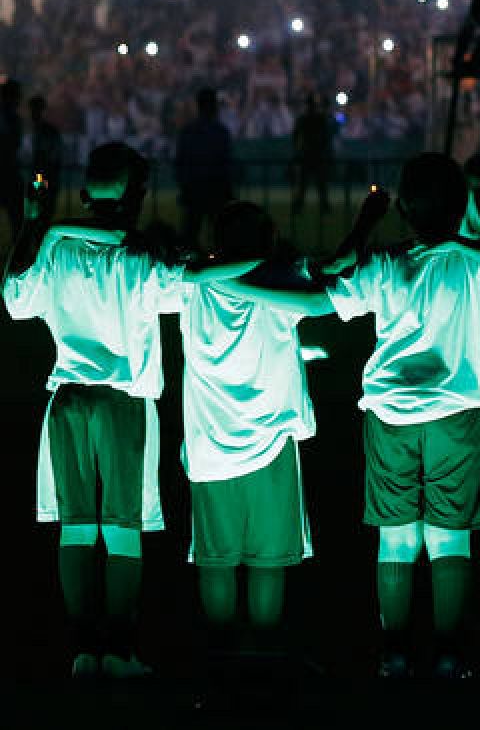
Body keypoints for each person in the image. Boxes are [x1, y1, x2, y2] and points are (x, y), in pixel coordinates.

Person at [2, 144, 251, 679]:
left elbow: (15, 299)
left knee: (75, 528)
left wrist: (33, 225)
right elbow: (188, 287)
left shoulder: (57, 247)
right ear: (134, 192)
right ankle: (117, 649)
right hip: (122, 402)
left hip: (67, 398)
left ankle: (82, 651)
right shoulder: (137, 255)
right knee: (121, 528)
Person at [322, 155, 480, 679]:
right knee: (450, 537)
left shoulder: (383, 261)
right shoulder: (473, 265)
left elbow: (333, 279)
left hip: (391, 414)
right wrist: (465, 243)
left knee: (396, 537)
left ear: (402, 207)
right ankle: (449, 653)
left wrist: (365, 222)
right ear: (462, 205)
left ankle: (393, 652)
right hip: (458, 415)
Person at [171, 202, 324, 674]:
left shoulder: (191, 287)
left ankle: (220, 658)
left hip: (209, 446)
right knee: (267, 561)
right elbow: (325, 296)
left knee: (215, 558)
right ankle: (262, 658)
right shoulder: (275, 283)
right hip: (271, 443)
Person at [175, 88, 235, 247]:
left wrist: (184, 186)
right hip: (216, 190)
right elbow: (227, 164)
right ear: (214, 106)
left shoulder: (188, 132)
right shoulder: (221, 132)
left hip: (194, 190)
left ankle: (188, 265)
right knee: (219, 236)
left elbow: (180, 163)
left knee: (189, 236)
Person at [291, 92, 335, 216]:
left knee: (303, 185)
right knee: (321, 184)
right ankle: (324, 207)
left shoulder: (303, 118)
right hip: (318, 155)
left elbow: (295, 136)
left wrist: (297, 150)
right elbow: (326, 137)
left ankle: (298, 207)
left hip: (306, 154)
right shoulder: (320, 118)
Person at [28, 94, 63, 222]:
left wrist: (40, 181)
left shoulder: (45, 131)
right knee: (42, 211)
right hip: (44, 176)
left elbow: (46, 160)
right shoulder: (40, 130)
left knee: (42, 210)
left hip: (44, 176)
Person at [0, 79, 23, 236]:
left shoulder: (12, 118)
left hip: (8, 171)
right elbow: (13, 144)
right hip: (7, 172)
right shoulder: (10, 118)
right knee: (17, 219)